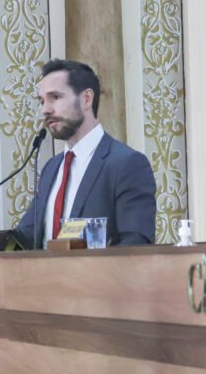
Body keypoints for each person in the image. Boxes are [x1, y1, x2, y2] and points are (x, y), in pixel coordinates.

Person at [16, 59, 156, 247]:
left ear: (86, 99)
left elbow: (135, 243)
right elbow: (23, 238)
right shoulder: (51, 168)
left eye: (55, 97)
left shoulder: (127, 164)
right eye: (42, 101)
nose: (45, 110)